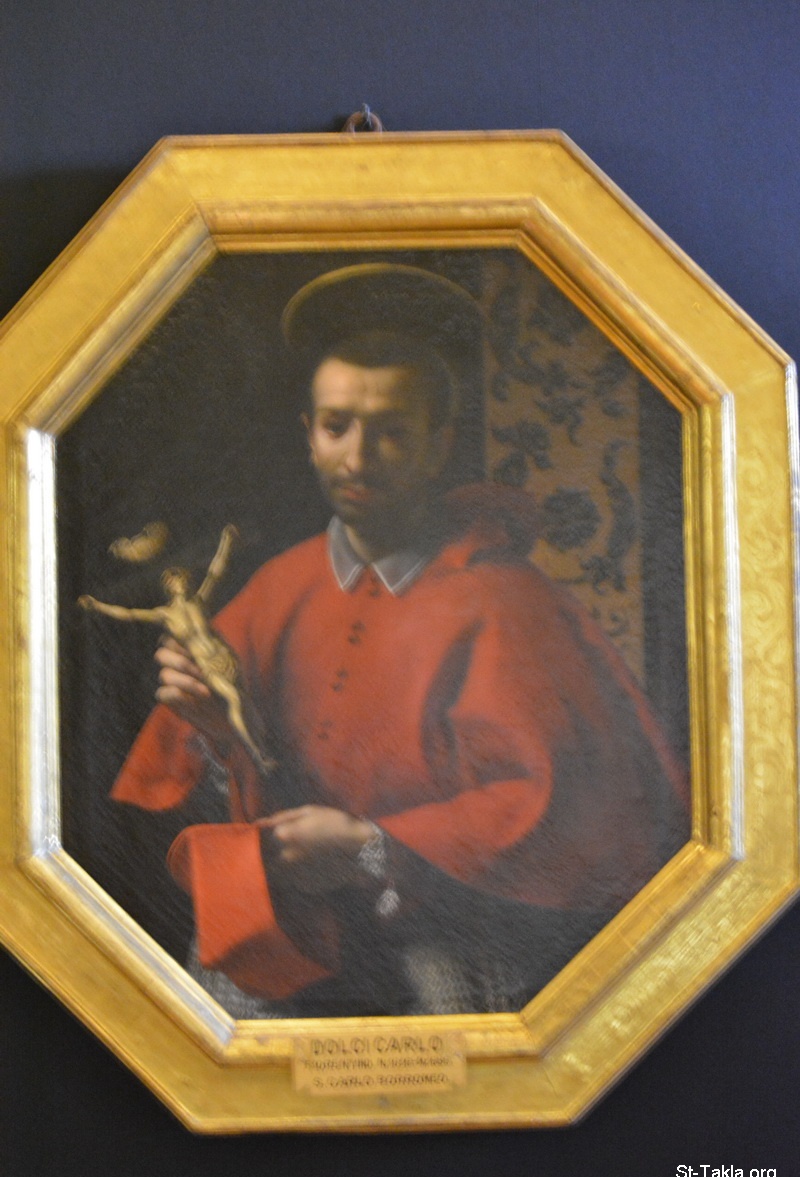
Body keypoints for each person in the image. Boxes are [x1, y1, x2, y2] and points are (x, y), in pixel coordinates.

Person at [111, 264, 689, 1018]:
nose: (357, 458)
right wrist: (218, 732)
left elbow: (573, 816)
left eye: (391, 432)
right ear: (309, 436)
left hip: (452, 944)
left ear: (438, 444)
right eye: (337, 427)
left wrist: (370, 846)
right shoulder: (278, 586)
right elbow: (223, 788)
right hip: (285, 937)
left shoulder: (507, 602)